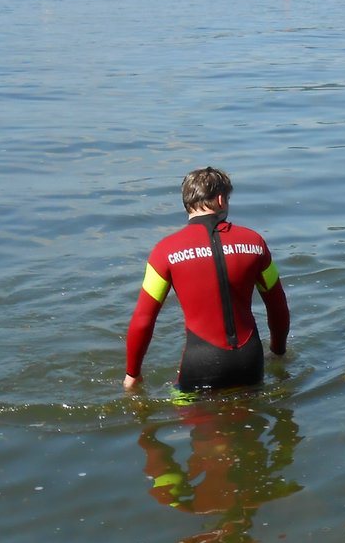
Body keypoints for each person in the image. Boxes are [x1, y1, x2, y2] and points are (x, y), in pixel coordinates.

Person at [124, 166, 290, 392]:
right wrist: (278, 352)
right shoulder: (255, 243)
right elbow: (277, 305)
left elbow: (143, 319)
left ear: (187, 203)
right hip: (250, 360)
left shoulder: (164, 251)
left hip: (200, 363)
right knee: (251, 421)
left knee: (193, 420)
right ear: (221, 200)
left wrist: (132, 374)